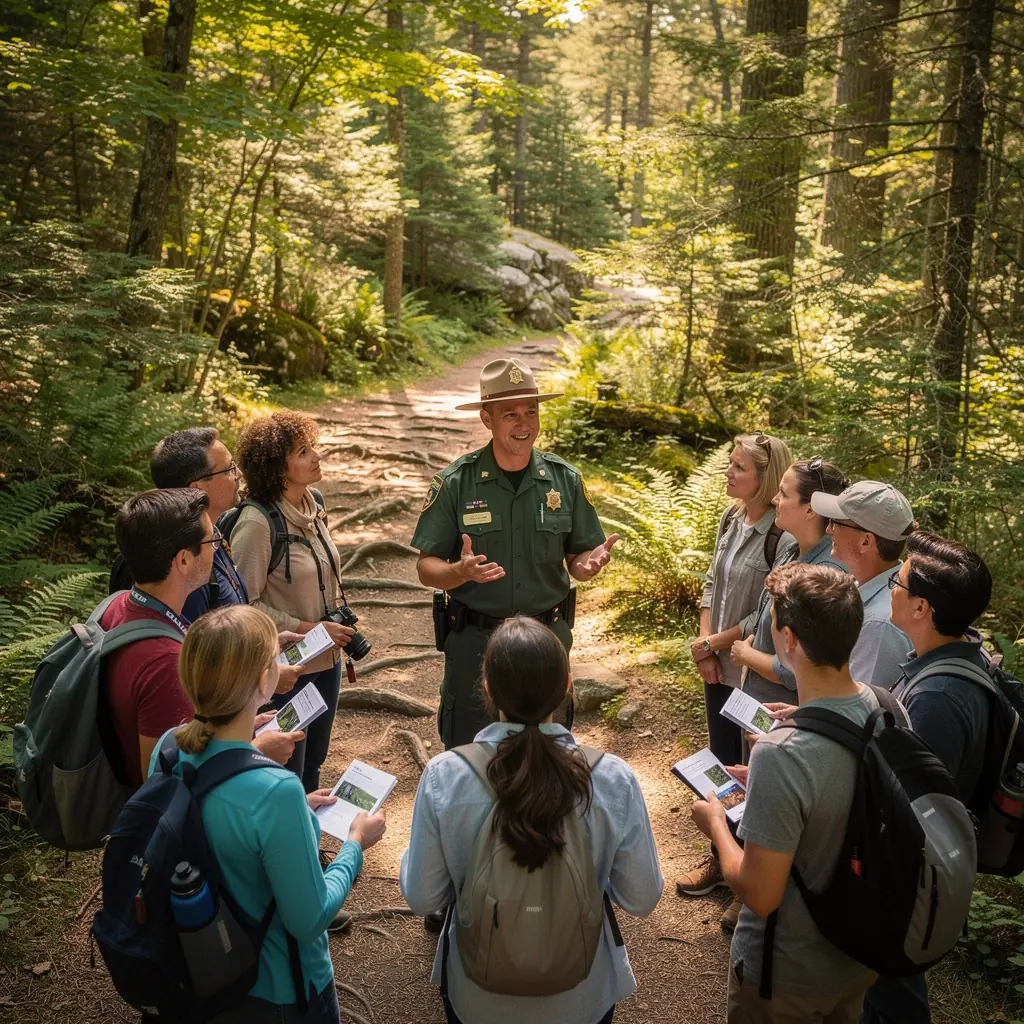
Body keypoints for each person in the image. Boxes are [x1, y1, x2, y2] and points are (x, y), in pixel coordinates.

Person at [399, 616, 662, 1024]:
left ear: (487, 687)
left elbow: (423, 897)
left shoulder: (445, 776)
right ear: (567, 685)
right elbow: (641, 898)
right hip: (583, 996)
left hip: (477, 997)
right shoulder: (612, 778)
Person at [151, 604, 387, 1024]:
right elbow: (311, 918)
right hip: (277, 990)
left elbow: (219, 829)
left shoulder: (169, 748)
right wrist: (354, 844)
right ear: (265, 681)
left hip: (200, 969)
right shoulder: (276, 791)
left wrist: (303, 812)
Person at [691, 562, 880, 1024]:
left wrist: (717, 826)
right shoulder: (881, 707)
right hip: (857, 954)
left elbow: (759, 893)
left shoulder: (781, 755)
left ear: (790, 639)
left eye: (772, 622)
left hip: (787, 973)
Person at [411, 357, 618, 753]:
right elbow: (426, 567)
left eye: (531, 412)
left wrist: (585, 566)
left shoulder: (565, 480)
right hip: (476, 644)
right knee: (471, 758)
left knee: (549, 756)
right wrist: (459, 570)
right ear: (487, 419)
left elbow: (578, 556)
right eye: (510, 414)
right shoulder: (455, 482)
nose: (524, 424)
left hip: (546, 643)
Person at [861, 532, 993, 1024]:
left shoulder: (938, 697)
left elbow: (907, 804)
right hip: (913, 868)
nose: (889, 589)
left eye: (896, 583)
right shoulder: (956, 657)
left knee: (893, 990)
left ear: (921, 608)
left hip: (907, 876)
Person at [103, 489, 297, 788]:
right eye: (212, 541)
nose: (218, 550)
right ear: (183, 560)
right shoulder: (165, 662)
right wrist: (255, 753)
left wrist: (234, 729)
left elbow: (183, 741)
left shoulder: (119, 605)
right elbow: (163, 785)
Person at [676, 433, 794, 913]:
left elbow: (762, 614)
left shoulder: (780, 537)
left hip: (754, 675)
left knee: (757, 769)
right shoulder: (731, 517)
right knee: (721, 762)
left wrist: (715, 643)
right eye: (730, 464)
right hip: (718, 665)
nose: (728, 472)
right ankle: (719, 859)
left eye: (738, 467)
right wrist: (704, 647)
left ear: (763, 478)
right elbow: (712, 582)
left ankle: (749, 875)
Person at [232, 411, 354, 795]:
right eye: (303, 451)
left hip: (326, 660)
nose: (316, 456)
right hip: (283, 669)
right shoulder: (256, 524)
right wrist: (308, 628)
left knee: (314, 760)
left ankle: (308, 838)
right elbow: (243, 607)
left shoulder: (314, 504)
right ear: (276, 468)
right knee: (285, 767)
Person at [730, 458, 850, 705]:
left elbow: (797, 670)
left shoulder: (823, 579)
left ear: (810, 510)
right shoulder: (791, 551)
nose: (774, 500)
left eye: (784, 494)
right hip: (760, 704)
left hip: (785, 716)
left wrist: (747, 655)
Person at [809, 480, 915, 688]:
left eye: (836, 523)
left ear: (866, 542)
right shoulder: (865, 591)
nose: (829, 530)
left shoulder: (880, 625)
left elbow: (861, 712)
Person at [150, 427, 250, 621]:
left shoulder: (208, 533)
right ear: (197, 489)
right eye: (230, 469)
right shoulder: (186, 568)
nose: (238, 474)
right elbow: (194, 649)